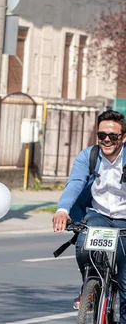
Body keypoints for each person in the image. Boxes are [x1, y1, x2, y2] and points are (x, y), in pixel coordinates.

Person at [53, 110, 126, 317]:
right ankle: (90, 286)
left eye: (113, 136)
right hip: (99, 213)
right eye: (101, 135)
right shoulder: (89, 155)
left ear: (123, 137)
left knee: (125, 285)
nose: (106, 140)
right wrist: (62, 210)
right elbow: (75, 183)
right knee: (84, 243)